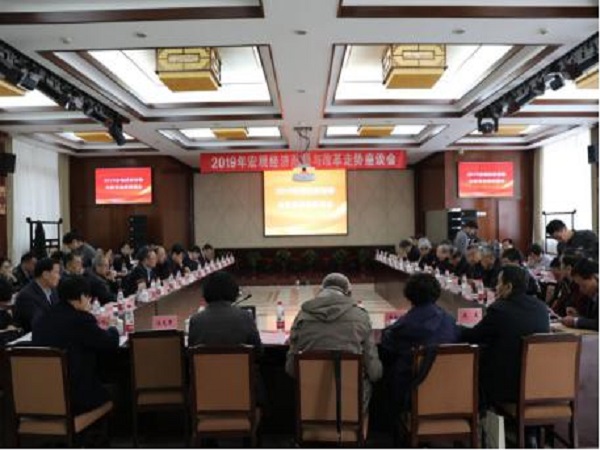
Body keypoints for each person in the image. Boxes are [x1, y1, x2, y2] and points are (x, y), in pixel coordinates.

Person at [285, 273, 382, 409]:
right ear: (348, 293)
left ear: (321, 291)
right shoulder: (361, 317)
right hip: (351, 405)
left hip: (311, 405)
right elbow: (374, 372)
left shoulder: (302, 317)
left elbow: (291, 369)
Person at [461, 265, 550, 407]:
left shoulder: (499, 309)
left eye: (498, 283)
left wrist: (455, 327)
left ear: (508, 286)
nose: (496, 287)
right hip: (535, 382)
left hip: (504, 385)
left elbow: (473, 336)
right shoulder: (541, 308)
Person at [32, 275, 119, 415]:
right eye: (88, 297)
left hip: (40, 395)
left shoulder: (43, 316)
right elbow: (110, 342)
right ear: (82, 297)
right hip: (75, 398)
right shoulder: (81, 319)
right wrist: (113, 327)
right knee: (117, 388)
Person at [380, 273, 459, 412]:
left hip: (412, 391)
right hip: (450, 390)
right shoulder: (450, 321)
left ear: (409, 294)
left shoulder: (405, 325)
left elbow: (387, 346)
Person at [13, 257, 60, 332]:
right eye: (56, 273)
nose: (59, 277)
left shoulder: (53, 291)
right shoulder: (26, 296)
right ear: (45, 275)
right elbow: (39, 322)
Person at [562, 258, 598, 331]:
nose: (581, 290)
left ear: (593, 277)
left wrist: (575, 321)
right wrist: (577, 316)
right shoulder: (592, 295)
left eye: (583, 286)